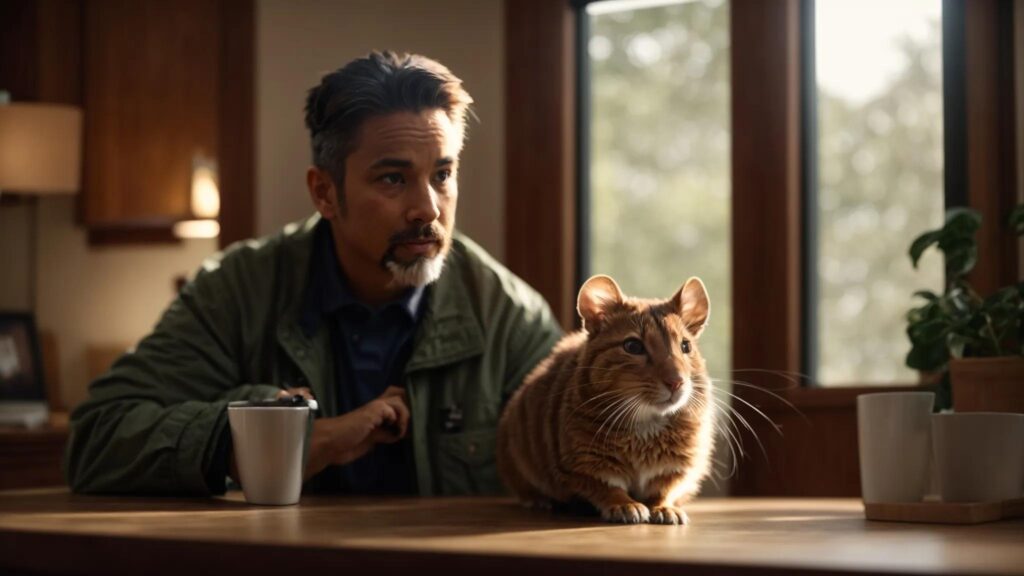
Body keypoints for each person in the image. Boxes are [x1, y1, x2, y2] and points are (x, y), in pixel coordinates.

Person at [65, 51, 563, 497]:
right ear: (325, 192)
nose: (427, 209)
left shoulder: (506, 313)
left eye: (442, 175)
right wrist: (287, 438)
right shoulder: (241, 290)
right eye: (393, 178)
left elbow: (587, 458)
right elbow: (98, 439)